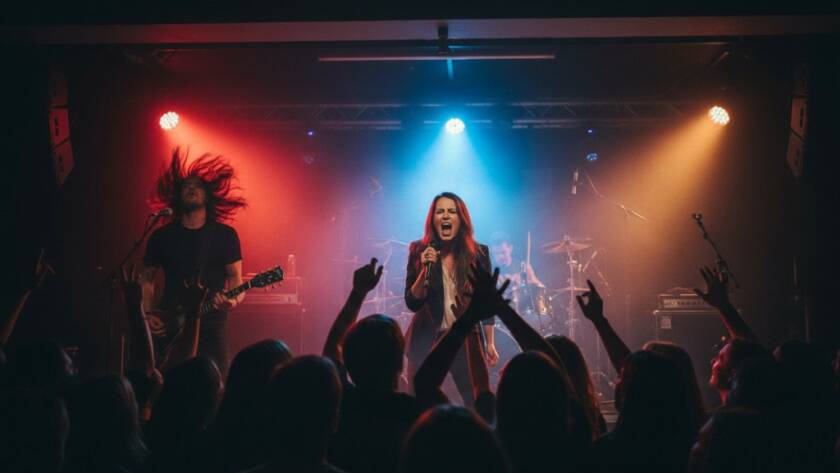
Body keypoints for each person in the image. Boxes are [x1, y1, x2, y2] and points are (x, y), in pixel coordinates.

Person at [141, 148, 247, 376]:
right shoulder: (162, 235)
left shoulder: (224, 235)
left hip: (211, 322)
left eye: (197, 186)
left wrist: (233, 300)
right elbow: (146, 280)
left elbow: (236, 279)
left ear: (208, 197)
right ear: (177, 196)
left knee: (216, 384)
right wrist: (148, 314)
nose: (190, 188)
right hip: (170, 322)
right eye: (186, 186)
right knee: (168, 384)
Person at [404, 192, 495, 405]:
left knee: (475, 400)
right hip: (427, 337)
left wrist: (490, 343)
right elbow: (412, 302)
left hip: (465, 337)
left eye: (451, 211)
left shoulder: (479, 252)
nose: (445, 216)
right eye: (440, 211)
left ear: (461, 218)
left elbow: (487, 301)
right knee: (420, 402)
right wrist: (424, 269)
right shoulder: (418, 250)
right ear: (433, 219)